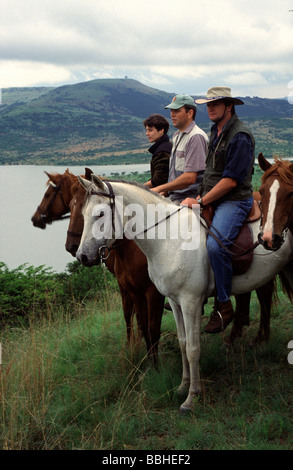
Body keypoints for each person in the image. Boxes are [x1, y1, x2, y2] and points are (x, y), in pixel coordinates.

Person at [181, 87, 255, 333]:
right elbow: (212, 173)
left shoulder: (240, 136)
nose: (210, 108)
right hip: (213, 197)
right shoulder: (216, 130)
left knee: (215, 245)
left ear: (229, 106)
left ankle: (223, 304)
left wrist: (201, 202)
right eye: (208, 104)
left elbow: (231, 180)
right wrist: (202, 195)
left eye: (215, 104)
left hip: (234, 200)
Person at [151, 94, 208, 203]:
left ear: (190, 113)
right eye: (171, 111)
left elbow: (190, 177)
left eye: (176, 111)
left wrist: (159, 188)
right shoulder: (177, 136)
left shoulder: (195, 136)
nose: (172, 115)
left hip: (189, 199)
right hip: (174, 196)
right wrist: (166, 191)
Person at [143, 114, 172, 188]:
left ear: (161, 130)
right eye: (146, 130)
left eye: (150, 130)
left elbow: (159, 180)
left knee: (120, 197)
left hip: (163, 192)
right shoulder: (166, 146)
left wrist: (139, 187)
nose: (147, 134)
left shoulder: (162, 151)